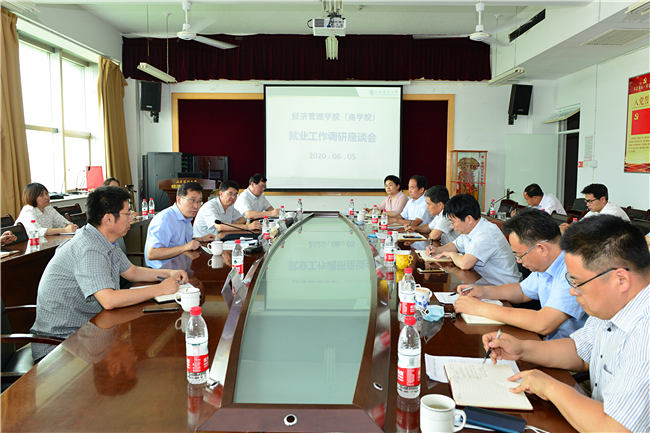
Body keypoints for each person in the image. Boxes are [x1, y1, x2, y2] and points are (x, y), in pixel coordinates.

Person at [482, 215, 649, 433]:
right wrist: (522, 349)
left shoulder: (644, 332)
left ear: (621, 280)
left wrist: (550, 387)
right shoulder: (611, 307)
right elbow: (581, 352)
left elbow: (616, 428)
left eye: (578, 282)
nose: (572, 291)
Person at [30, 186, 188, 362]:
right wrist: (160, 289)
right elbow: (109, 300)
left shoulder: (105, 241)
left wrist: (170, 273)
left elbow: (133, 272)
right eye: (127, 213)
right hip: (59, 347)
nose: (131, 217)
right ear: (108, 219)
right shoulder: (89, 248)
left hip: (87, 332)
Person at [454, 209, 587, 340]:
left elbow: (544, 323)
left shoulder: (573, 270)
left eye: (520, 255)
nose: (518, 261)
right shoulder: (545, 264)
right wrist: (482, 292)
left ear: (542, 248)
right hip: (551, 343)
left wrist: (480, 308)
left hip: (571, 350)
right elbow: (522, 291)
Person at [428, 194, 521, 285]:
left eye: (453, 222)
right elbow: (455, 245)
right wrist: (437, 250)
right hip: (483, 282)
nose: (452, 226)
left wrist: (451, 254)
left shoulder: (486, 234)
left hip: (504, 288)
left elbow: (465, 264)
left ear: (469, 219)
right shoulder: (470, 229)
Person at [145, 182, 215, 269]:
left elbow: (177, 242)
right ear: (178, 200)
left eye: (199, 201)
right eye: (192, 200)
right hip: (162, 272)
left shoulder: (186, 218)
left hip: (180, 267)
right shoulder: (164, 220)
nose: (196, 206)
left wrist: (200, 239)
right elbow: (152, 254)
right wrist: (184, 248)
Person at [194, 180, 262, 238]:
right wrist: (248, 227)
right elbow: (220, 227)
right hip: (203, 244)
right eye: (230, 194)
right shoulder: (210, 207)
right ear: (221, 193)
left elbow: (243, 219)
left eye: (235, 194)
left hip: (219, 240)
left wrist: (234, 225)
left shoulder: (229, 207)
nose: (233, 197)